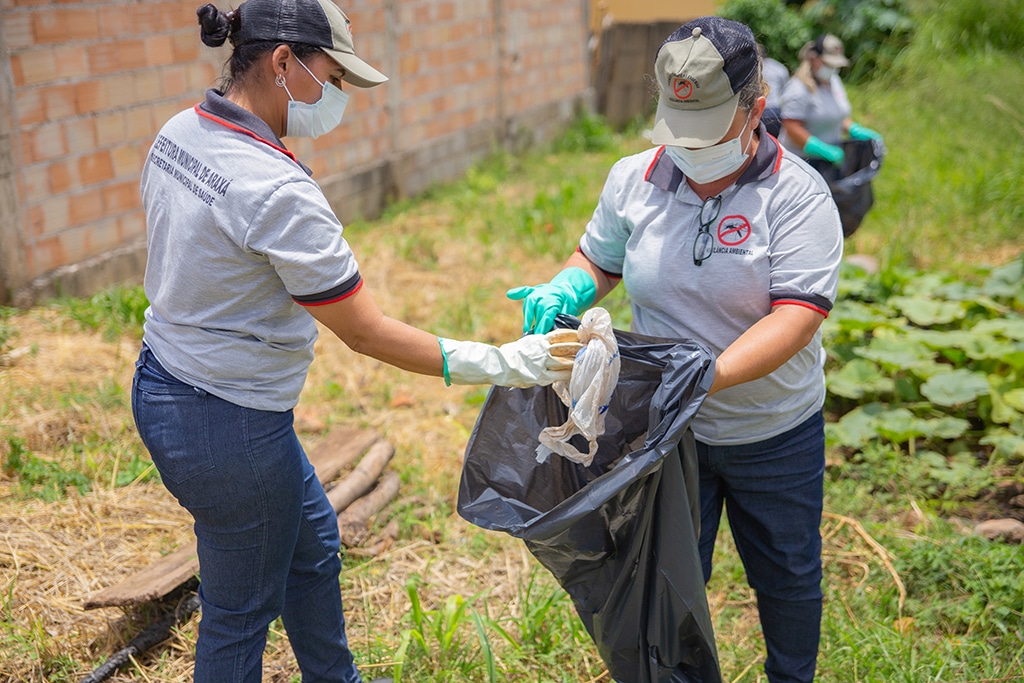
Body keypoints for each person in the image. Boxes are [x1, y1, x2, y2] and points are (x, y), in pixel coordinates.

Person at [131, 2, 575, 682]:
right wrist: (504, 362)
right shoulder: (278, 189)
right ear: (283, 63)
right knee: (239, 609)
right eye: (332, 77)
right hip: (228, 422)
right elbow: (364, 331)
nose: (336, 97)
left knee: (312, 546)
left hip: (165, 381)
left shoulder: (179, 133)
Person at [505, 16, 843, 683]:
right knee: (670, 577)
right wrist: (570, 284)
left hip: (771, 428)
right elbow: (599, 257)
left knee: (787, 573)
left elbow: (797, 317)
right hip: (667, 431)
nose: (689, 142)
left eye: (710, 123)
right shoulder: (635, 178)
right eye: (677, 122)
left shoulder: (798, 196)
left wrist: (704, 376)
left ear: (757, 109)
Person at [778, 33, 883, 167]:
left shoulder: (833, 81)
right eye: (828, 64)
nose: (832, 69)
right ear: (814, 58)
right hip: (801, 162)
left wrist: (854, 129)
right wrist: (820, 149)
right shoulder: (798, 88)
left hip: (826, 162)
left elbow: (836, 114)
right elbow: (791, 127)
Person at [758, 43, 789, 138]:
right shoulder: (779, 67)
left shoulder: (755, 66)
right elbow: (785, 89)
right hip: (777, 110)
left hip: (760, 109)